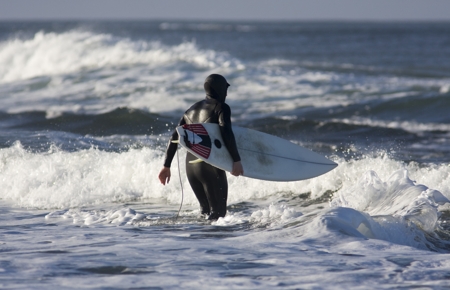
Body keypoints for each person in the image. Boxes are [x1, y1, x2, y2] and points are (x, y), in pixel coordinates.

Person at [158, 74, 244, 220]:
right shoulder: (221, 107)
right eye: (225, 89)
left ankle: (203, 242)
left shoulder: (190, 110)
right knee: (219, 214)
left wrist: (166, 166)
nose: (227, 93)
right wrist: (236, 160)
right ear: (221, 90)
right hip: (209, 164)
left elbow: (175, 137)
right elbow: (226, 132)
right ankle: (217, 242)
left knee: (205, 213)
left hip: (191, 167)